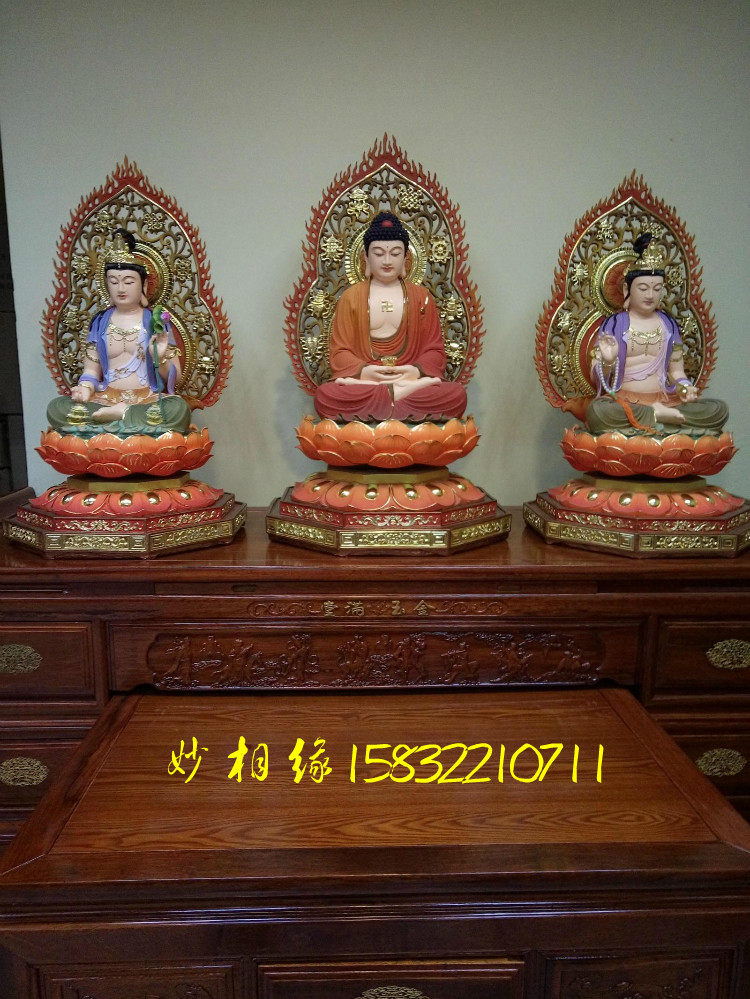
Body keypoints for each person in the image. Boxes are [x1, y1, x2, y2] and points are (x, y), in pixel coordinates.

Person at [313, 212, 466, 422]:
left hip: (409, 379)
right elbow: (340, 353)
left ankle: (391, 398)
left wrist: (414, 371)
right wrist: (365, 372)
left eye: (395, 253)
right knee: (325, 396)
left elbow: (435, 350)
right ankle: (395, 396)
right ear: (366, 257)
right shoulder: (351, 297)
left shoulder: (421, 297)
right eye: (378, 253)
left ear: (405, 258)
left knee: (456, 395)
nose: (387, 261)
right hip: (368, 382)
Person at [47, 228, 190, 437]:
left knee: (178, 410)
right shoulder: (100, 322)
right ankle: (123, 418)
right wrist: (85, 388)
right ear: (106, 285)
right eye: (114, 282)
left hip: (147, 399)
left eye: (129, 281)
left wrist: (159, 357)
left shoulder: (157, 321)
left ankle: (121, 416)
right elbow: (91, 370)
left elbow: (175, 381)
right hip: (106, 399)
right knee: (56, 408)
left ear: (143, 285)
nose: (121, 288)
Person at [587, 233, 727, 436]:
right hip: (625, 401)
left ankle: (655, 417)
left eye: (657, 288)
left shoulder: (668, 325)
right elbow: (596, 379)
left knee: (718, 410)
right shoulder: (614, 324)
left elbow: (677, 372)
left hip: (664, 399)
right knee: (597, 412)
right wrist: (608, 361)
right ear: (627, 288)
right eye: (643, 288)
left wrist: (685, 388)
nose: (650, 295)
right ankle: (656, 416)